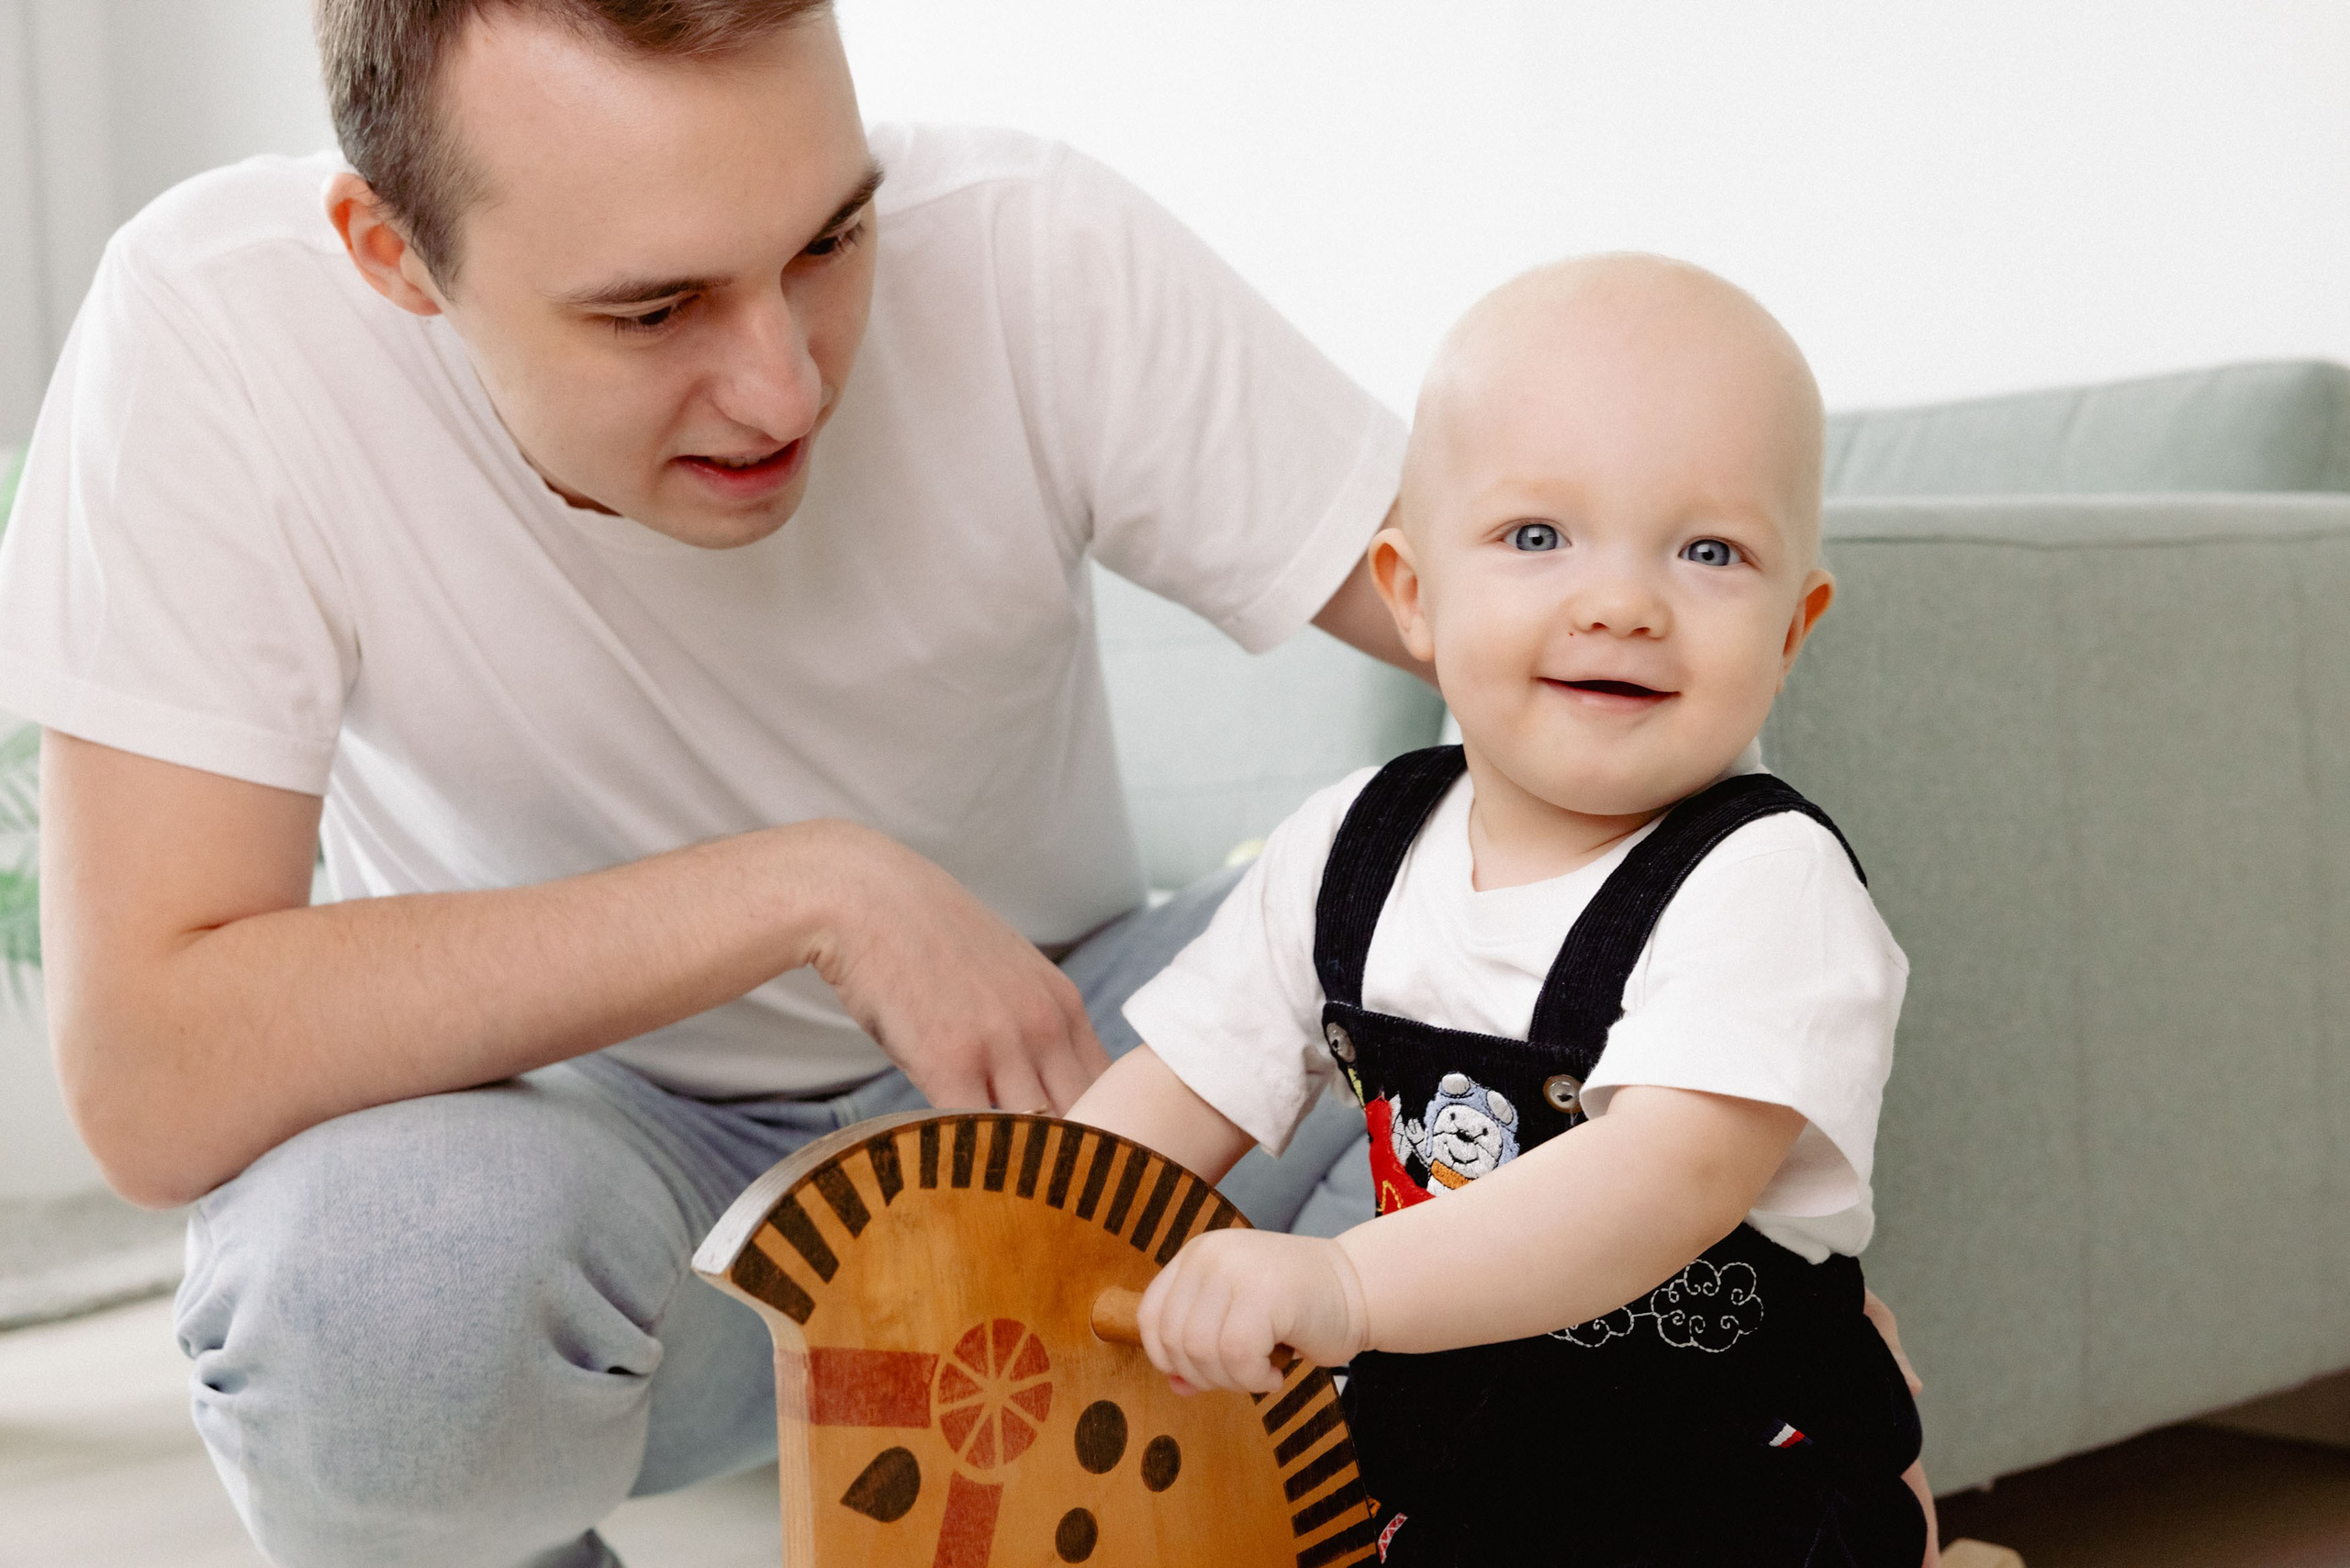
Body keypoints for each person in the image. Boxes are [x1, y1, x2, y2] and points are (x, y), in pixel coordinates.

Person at [0, 3, 1422, 1564]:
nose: (784, 389)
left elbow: (1505, 627)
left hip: (1089, 1100)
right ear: (391, 252)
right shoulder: (219, 327)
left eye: (831, 240)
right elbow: (147, 1070)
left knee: (1510, 955)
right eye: (653, 310)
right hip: (586, 1182)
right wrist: (810, 892)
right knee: (365, 1299)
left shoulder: (1027, 242)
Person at [1069, 253, 1938, 1564]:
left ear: (1790, 631)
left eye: (1709, 551)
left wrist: (1345, 1282)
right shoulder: (1351, 849)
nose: (1622, 603)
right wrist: (1008, 1246)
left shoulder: (1767, 883)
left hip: (1724, 1459)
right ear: (1411, 593)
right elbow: (1166, 1107)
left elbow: (1665, 1179)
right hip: (1460, 1435)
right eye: (1538, 536)